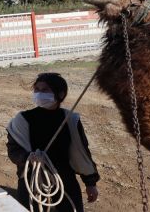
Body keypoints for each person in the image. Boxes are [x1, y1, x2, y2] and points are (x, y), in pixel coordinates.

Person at [6, 72, 100, 212]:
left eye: (45, 90)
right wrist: (28, 157)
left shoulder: (70, 119)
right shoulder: (23, 119)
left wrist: (90, 183)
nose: (39, 94)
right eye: (37, 90)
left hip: (64, 179)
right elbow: (13, 150)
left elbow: (82, 152)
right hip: (32, 181)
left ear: (60, 95)